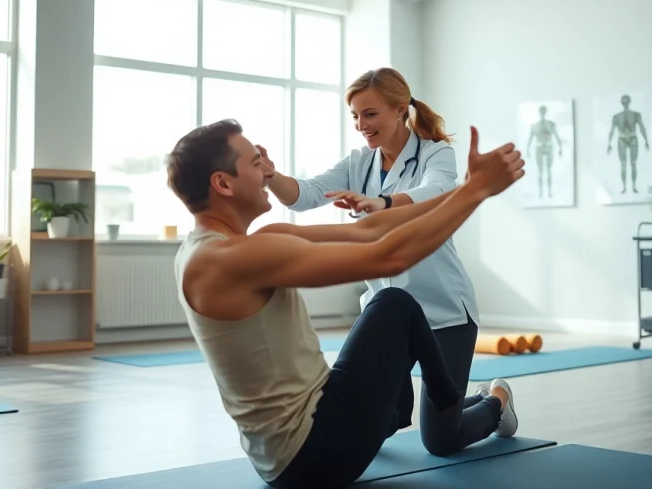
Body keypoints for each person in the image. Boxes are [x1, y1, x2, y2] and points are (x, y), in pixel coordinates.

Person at [166, 119, 524, 489]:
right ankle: (452, 400)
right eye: (255, 163)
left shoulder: (227, 246)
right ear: (223, 183)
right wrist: (477, 192)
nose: (265, 171)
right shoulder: (226, 259)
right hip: (316, 455)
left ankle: (421, 405)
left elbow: (366, 230)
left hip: (293, 446)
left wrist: (463, 188)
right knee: (393, 303)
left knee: (388, 304)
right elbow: (389, 258)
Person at [260, 67, 487, 454]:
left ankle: (496, 401)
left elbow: (437, 192)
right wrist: (270, 176)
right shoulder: (358, 162)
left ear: (400, 109)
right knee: (367, 425)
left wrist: (381, 203)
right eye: (354, 116)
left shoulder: (436, 153)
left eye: (370, 114)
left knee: (442, 441)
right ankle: (439, 406)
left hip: (443, 312)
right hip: (388, 317)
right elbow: (308, 193)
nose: (361, 125)